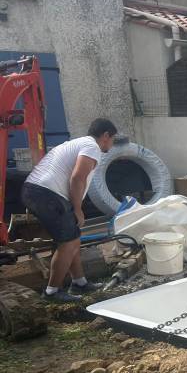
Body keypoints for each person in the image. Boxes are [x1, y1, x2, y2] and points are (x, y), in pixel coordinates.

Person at [21, 118, 117, 302]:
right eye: (112, 139)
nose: (112, 144)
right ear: (105, 135)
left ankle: (79, 282)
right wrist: (78, 209)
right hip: (46, 194)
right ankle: (52, 292)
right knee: (68, 243)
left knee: (73, 238)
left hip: (38, 191)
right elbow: (77, 178)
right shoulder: (92, 147)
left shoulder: (77, 143)